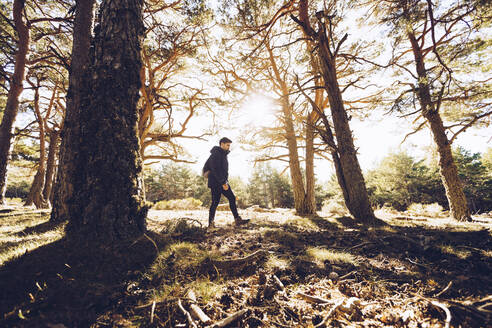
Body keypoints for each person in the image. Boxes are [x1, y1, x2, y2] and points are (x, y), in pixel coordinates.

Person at [203, 137, 249, 228]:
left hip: (222, 181)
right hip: (216, 182)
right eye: (227, 145)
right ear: (222, 144)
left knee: (231, 198)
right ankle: (211, 224)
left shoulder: (222, 154)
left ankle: (237, 220)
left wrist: (225, 181)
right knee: (215, 202)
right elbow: (215, 169)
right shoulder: (216, 154)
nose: (229, 147)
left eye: (229, 145)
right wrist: (223, 182)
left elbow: (223, 170)